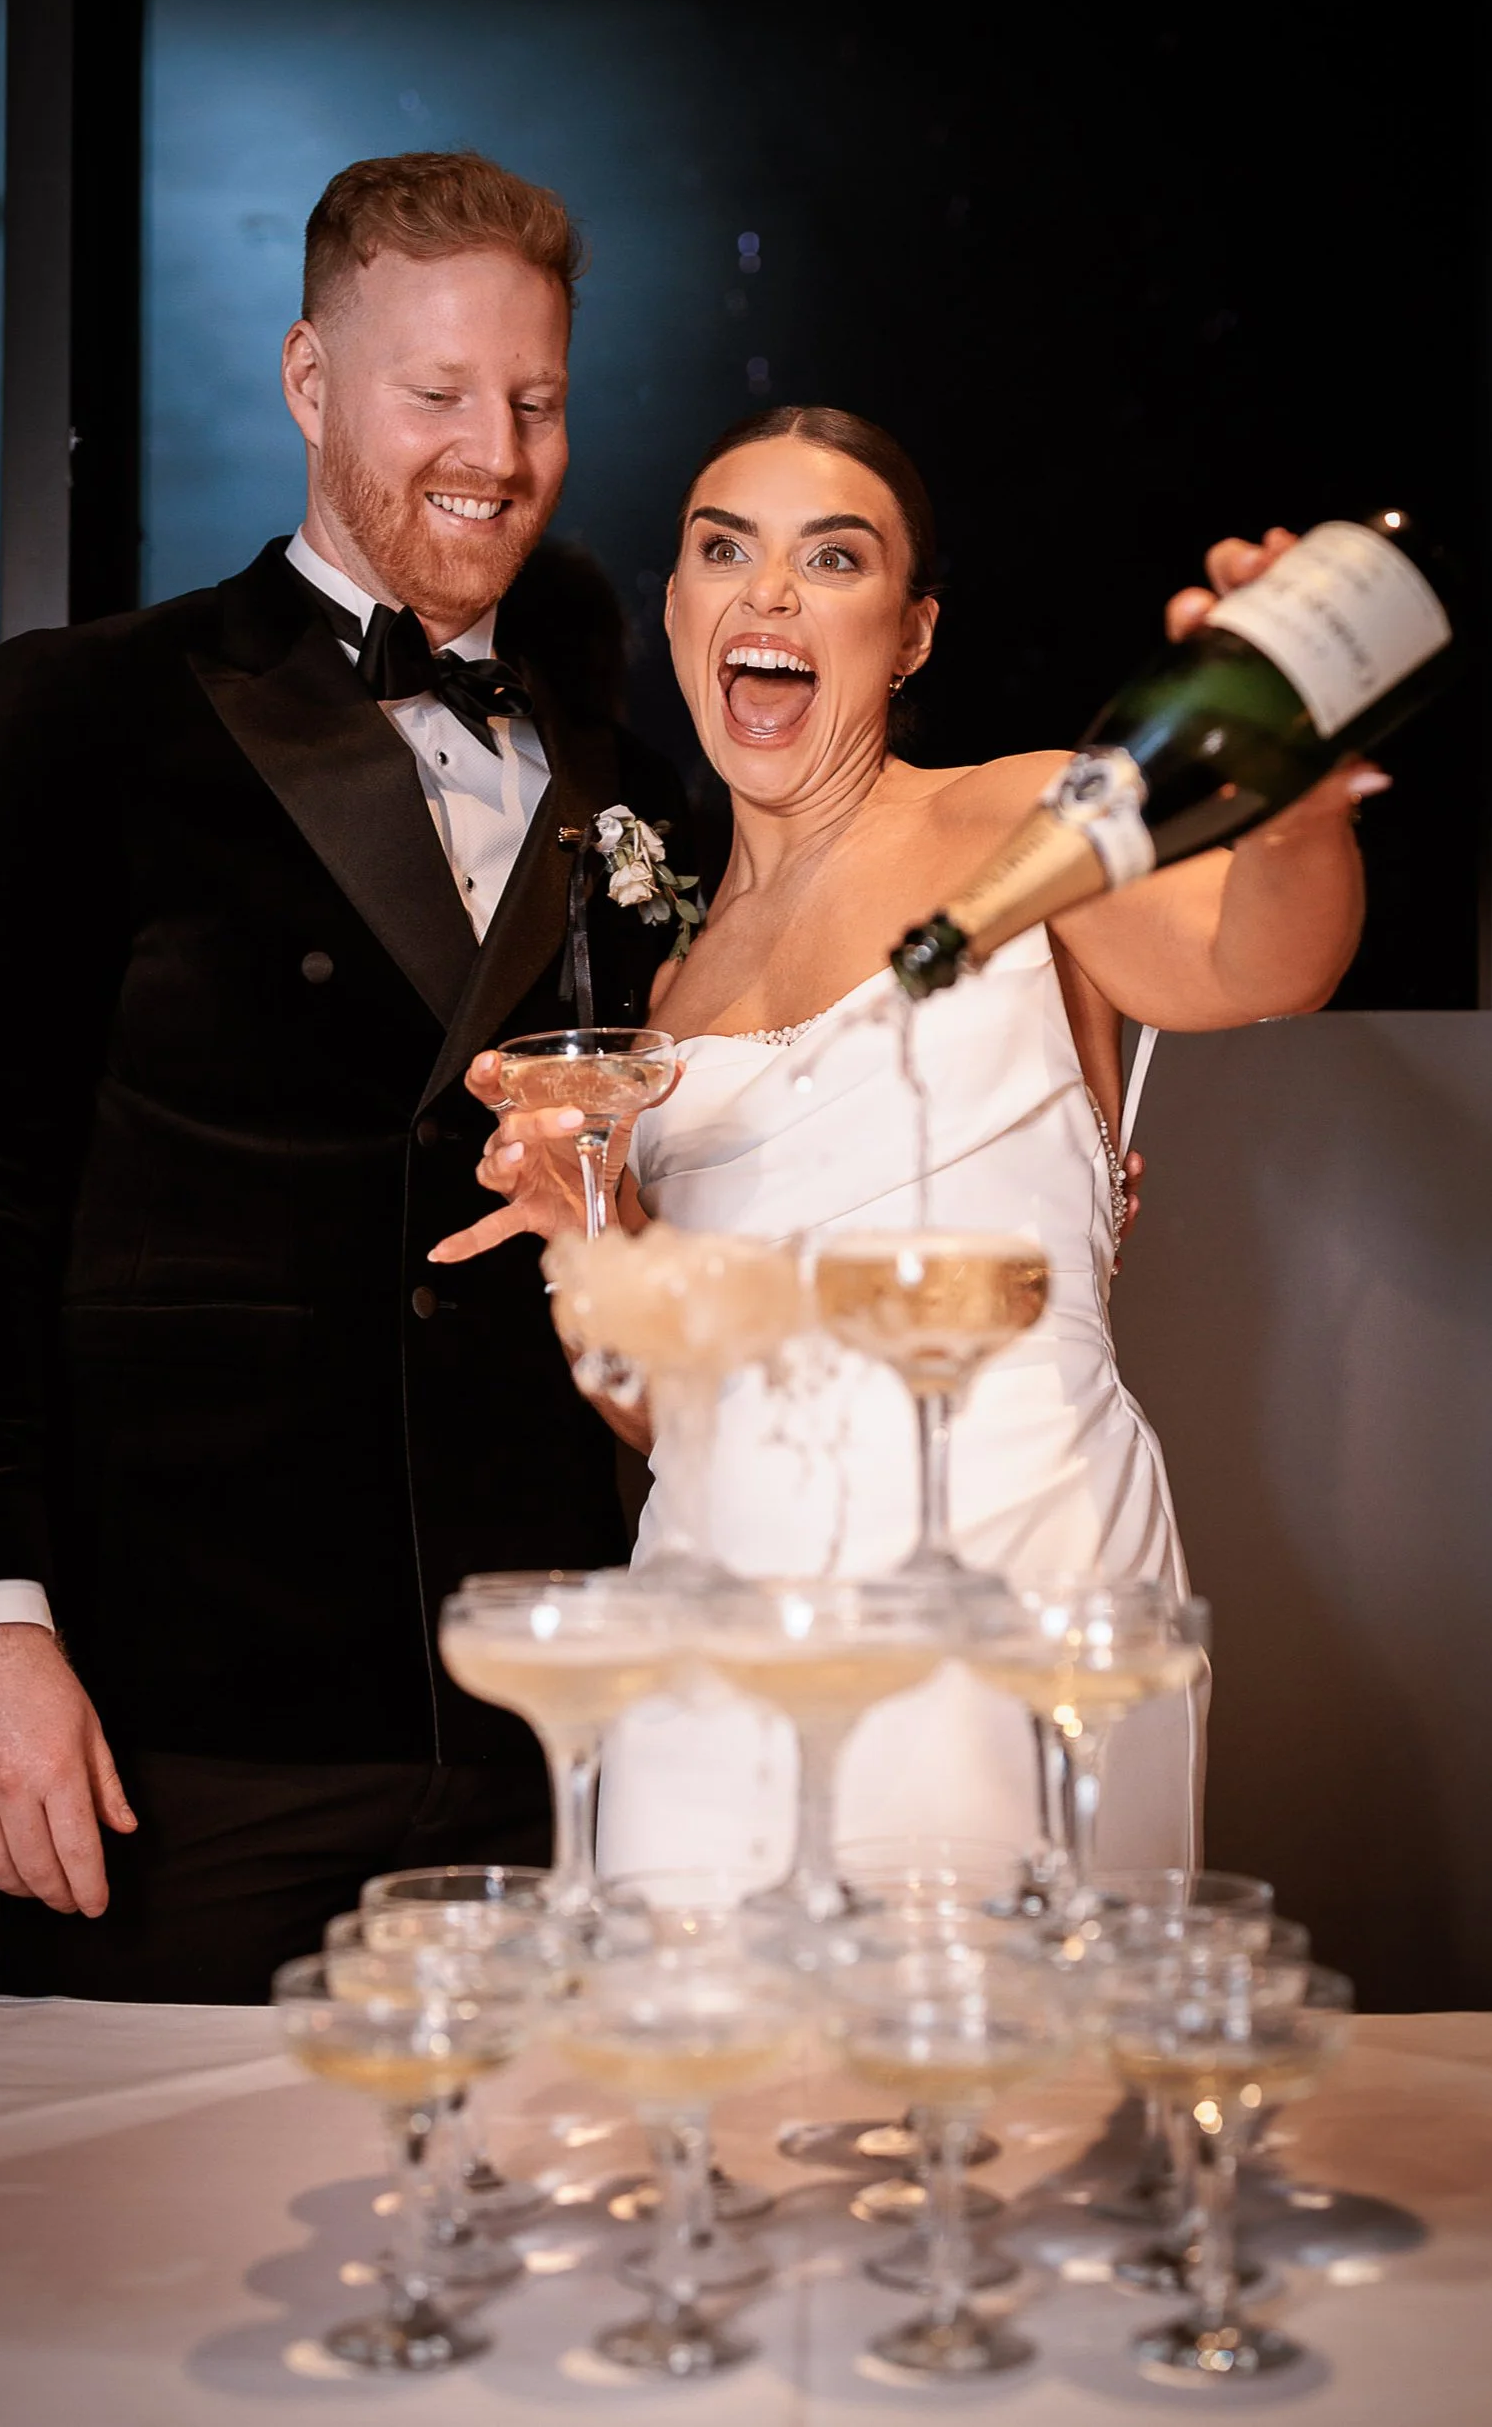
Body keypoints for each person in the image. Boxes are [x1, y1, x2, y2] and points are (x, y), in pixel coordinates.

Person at [0, 152, 692, 2003]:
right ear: (312, 380)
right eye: (437, 394)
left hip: (549, 1697)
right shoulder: (79, 708)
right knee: (137, 2267)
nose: (496, 447)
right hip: (183, 1715)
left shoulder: (642, 778)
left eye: (537, 400)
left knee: (540, 2261)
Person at [434, 405, 1377, 1881]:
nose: (771, 595)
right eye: (723, 551)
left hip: (1008, 1580)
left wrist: (1299, 815)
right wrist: (585, 1234)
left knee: (996, 2075)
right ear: (679, 611)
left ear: (913, 632)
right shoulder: (665, 995)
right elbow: (663, 1410)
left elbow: (1258, 965)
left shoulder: (1020, 818)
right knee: (702, 2079)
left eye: (835, 558)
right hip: (707, 1620)